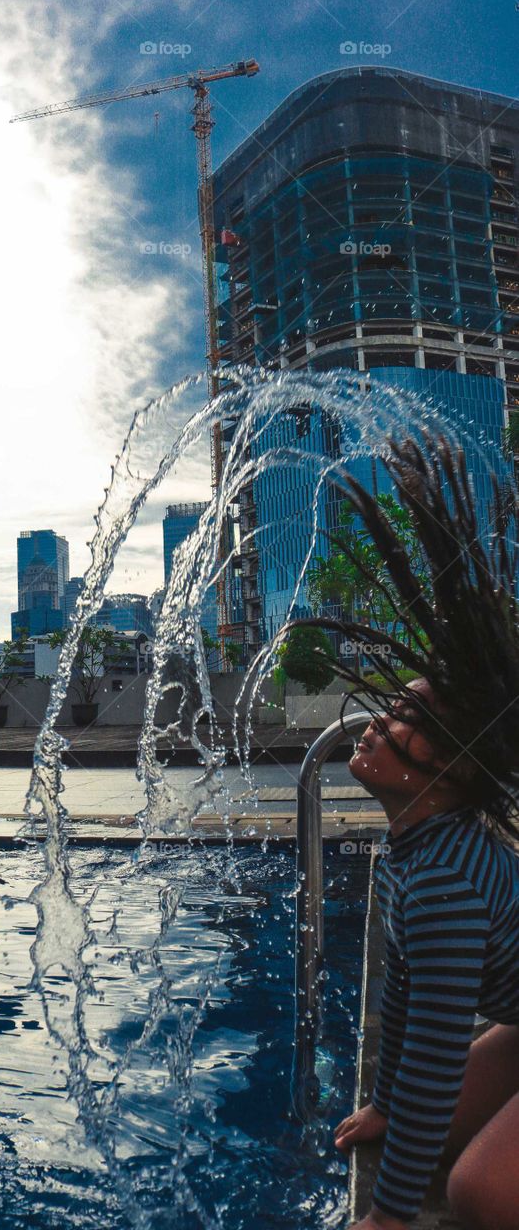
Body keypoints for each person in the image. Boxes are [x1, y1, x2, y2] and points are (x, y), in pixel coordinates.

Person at [303, 436, 519, 1229]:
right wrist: (388, 1108)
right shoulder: (416, 848)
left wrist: (388, 1216)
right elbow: (402, 996)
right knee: (433, 1145)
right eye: (396, 704)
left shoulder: (446, 882)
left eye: (407, 719)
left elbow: (433, 1052)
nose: (378, 722)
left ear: (451, 768)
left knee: (478, 1194)